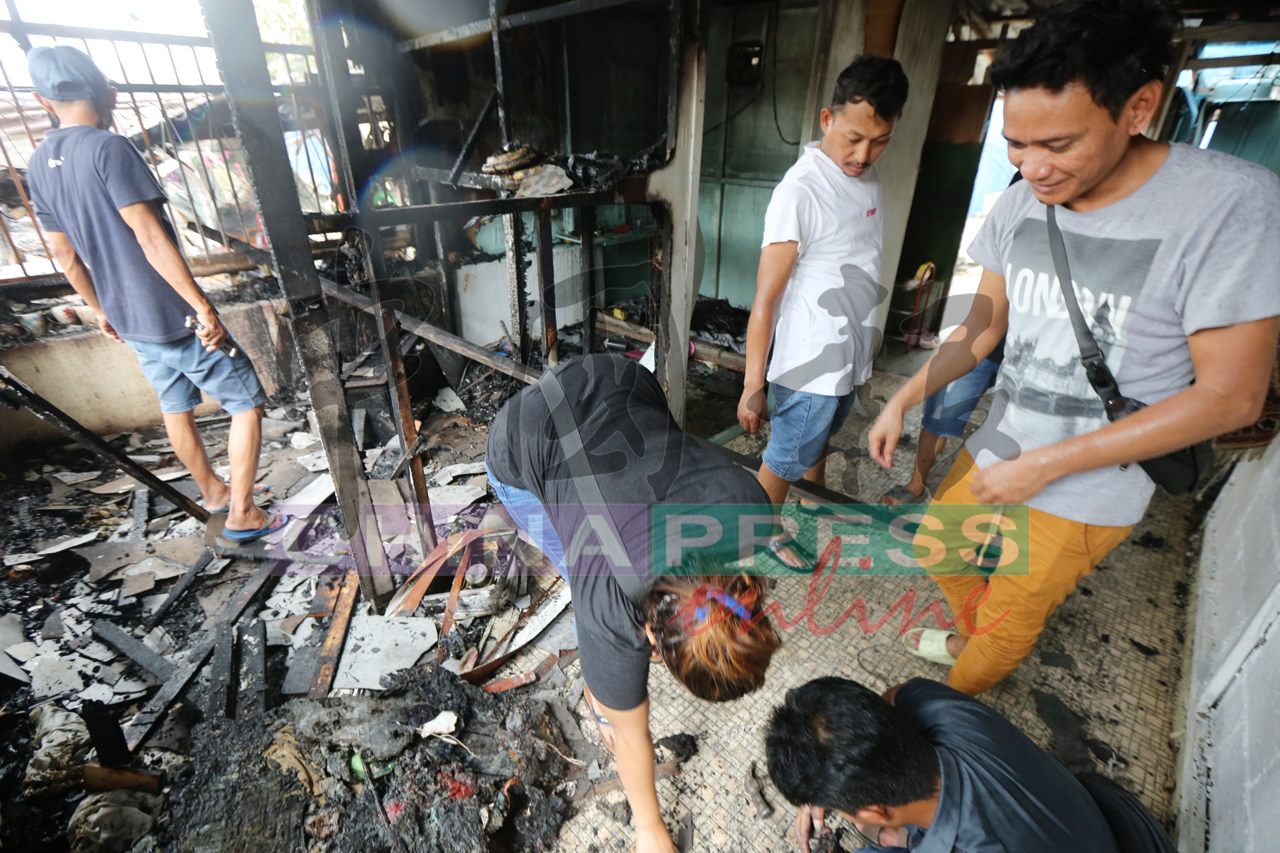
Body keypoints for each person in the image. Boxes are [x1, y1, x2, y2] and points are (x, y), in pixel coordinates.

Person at [867, 0, 1280, 693]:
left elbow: (1230, 396)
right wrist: (904, 399)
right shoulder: (1022, 202)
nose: (1032, 168)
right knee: (943, 545)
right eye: (1016, 145)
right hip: (1005, 442)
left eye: (1058, 145)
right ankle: (978, 636)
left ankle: (943, 711)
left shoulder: (1231, 206)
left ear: (1139, 106)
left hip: (1090, 487)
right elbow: (983, 327)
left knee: (1010, 621)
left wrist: (1047, 466)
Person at [485, 353, 781, 853]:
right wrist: (650, 828)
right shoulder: (606, 598)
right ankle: (601, 697)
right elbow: (632, 736)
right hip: (522, 436)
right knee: (578, 576)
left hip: (616, 376)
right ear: (650, 640)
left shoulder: (751, 511)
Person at [27, 46, 282, 542]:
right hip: (172, 314)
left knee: (175, 406)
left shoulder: (37, 165)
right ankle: (243, 514)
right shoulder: (109, 148)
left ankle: (213, 493)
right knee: (246, 404)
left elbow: (65, 258)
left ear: (41, 100)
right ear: (110, 94)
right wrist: (201, 305)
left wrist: (101, 310)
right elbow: (149, 237)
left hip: (128, 320)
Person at [737, 56, 909, 564]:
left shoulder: (867, 176)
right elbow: (765, 298)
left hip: (848, 352)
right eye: (853, 138)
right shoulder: (800, 192)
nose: (863, 154)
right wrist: (752, 384)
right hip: (811, 361)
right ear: (827, 119)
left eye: (879, 140)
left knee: (819, 438)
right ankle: (761, 532)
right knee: (785, 456)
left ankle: (814, 499)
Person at [766, 677, 1174, 853]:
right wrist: (827, 782)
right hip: (1093, 820)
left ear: (875, 811)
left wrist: (902, 841)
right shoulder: (939, 707)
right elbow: (889, 698)